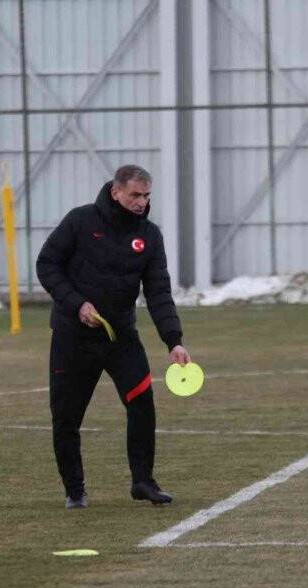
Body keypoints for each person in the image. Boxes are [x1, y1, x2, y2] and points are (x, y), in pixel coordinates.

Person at [36, 165, 191, 509]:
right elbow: (46, 265)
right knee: (66, 418)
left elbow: (159, 291)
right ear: (115, 192)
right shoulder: (80, 221)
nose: (142, 202)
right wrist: (77, 304)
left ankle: (143, 482)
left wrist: (174, 340)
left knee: (142, 403)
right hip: (73, 337)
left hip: (120, 337)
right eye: (135, 195)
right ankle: (75, 490)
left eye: (146, 195)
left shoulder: (149, 236)